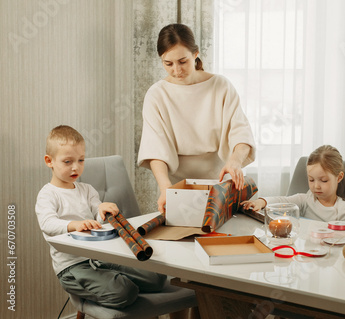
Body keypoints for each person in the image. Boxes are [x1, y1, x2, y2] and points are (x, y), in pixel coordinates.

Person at [35, 125, 168, 310]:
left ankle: (115, 282)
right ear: (49, 161)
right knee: (125, 292)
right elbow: (48, 224)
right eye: (67, 161)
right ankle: (116, 286)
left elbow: (99, 217)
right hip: (73, 267)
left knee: (157, 279)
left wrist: (102, 209)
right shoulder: (48, 194)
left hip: (100, 258)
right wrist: (76, 225)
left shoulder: (87, 189)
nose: (76, 167)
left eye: (81, 160)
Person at [137, 23, 256, 214]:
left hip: (220, 182)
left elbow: (240, 132)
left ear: (195, 54)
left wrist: (235, 161)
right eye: (168, 64)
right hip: (179, 187)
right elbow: (155, 149)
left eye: (182, 61)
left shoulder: (221, 86)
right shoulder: (156, 94)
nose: (176, 70)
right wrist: (165, 187)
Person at [241, 145, 345, 223]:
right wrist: (261, 202)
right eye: (311, 180)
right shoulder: (306, 200)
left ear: (339, 177)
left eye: (323, 180)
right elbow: (283, 201)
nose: (316, 186)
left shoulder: (343, 209)